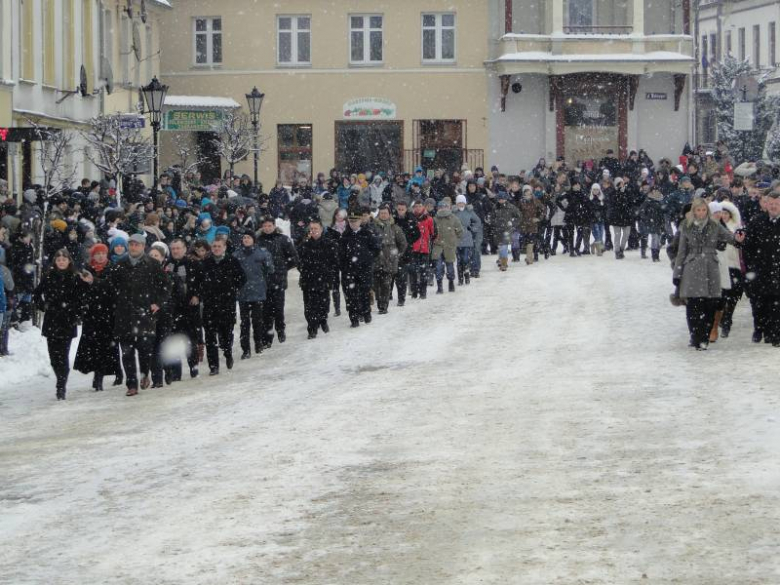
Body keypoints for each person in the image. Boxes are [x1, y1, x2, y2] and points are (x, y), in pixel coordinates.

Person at [673, 198, 744, 350]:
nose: (701, 213)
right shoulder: (686, 226)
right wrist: (677, 274)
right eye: (698, 210)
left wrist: (738, 239)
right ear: (694, 211)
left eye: (703, 210)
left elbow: (729, 237)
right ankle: (695, 335)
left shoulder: (714, 225)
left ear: (707, 211)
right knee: (693, 304)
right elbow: (681, 251)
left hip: (711, 266)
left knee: (711, 304)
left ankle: (705, 335)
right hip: (692, 267)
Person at [107, 233, 171, 396]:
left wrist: (157, 302)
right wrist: (117, 300)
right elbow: (111, 286)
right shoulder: (120, 264)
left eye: (137, 244)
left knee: (145, 351)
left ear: (143, 247)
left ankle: (144, 375)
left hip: (145, 315)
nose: (133, 247)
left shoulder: (152, 264)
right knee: (127, 353)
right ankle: (131, 385)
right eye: (132, 244)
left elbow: (165, 286)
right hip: (124, 315)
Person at [34, 249, 94, 400]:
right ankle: (60, 377)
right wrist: (42, 306)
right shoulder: (48, 277)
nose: (61, 262)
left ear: (69, 261)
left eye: (64, 259)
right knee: (54, 357)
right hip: (52, 319)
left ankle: (61, 385)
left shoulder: (74, 277)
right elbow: (36, 293)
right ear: (55, 262)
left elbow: (86, 294)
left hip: (68, 320)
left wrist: (79, 311)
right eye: (59, 259)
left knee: (64, 355)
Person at [74, 243, 119, 392]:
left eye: (103, 253)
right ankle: (98, 375)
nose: (100, 256)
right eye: (97, 253)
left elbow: (112, 288)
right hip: (91, 314)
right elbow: (80, 291)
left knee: (108, 345)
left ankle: (107, 375)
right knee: (93, 346)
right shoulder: (87, 269)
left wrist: (95, 282)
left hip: (108, 313)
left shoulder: (112, 269)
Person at [200, 236, 247, 375]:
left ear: (224, 248)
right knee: (209, 336)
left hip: (227, 303)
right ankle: (213, 366)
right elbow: (199, 280)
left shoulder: (232, 261)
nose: (216, 249)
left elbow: (242, 278)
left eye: (219, 246)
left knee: (226, 334)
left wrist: (232, 288)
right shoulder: (206, 263)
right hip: (210, 304)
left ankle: (228, 353)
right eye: (214, 246)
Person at [740, 191, 780, 346]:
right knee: (759, 303)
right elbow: (747, 246)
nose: (773, 206)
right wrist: (752, 266)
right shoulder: (757, 221)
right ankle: (761, 329)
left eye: (777, 204)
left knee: (776, 304)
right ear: (766, 204)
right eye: (771, 203)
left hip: (777, 271)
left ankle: (775, 334)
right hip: (760, 271)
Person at [257, 216, 298, 348]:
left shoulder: (283, 239)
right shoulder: (258, 241)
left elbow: (293, 257)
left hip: (278, 280)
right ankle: (267, 337)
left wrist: (282, 267)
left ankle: (280, 330)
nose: (267, 228)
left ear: (274, 226)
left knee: (278, 308)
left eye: (270, 226)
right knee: (265, 311)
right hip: (263, 282)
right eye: (265, 226)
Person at [165, 238, 202, 379]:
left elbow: (201, 282)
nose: (175, 251)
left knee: (190, 340)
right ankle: (176, 372)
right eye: (173, 248)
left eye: (178, 248)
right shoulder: (167, 265)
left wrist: (197, 295)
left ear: (184, 249)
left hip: (189, 308)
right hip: (172, 309)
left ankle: (194, 367)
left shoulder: (193, 264)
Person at [235, 229, 274, 359]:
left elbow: (270, 269)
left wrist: (263, 281)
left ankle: (258, 343)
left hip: (258, 291)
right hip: (243, 293)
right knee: (244, 322)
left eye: (248, 237)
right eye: (244, 237)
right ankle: (246, 349)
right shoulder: (237, 255)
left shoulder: (261, 253)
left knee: (258, 320)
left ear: (253, 239)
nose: (246, 239)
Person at [339, 210, 380, 327]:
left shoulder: (367, 234)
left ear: (360, 221)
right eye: (351, 221)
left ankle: (366, 313)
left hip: (364, 269)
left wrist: (368, 259)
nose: (353, 224)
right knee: (351, 295)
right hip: (349, 271)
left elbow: (376, 248)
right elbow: (340, 254)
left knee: (364, 292)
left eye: (355, 221)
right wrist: (344, 267)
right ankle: (354, 318)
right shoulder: (345, 236)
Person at [298, 219, 336, 338]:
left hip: (323, 279)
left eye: (316, 228)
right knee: (309, 306)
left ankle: (323, 320)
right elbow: (298, 261)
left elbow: (334, 261)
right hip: (308, 280)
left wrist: (328, 272)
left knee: (323, 303)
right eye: (312, 229)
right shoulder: (304, 245)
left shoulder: (328, 244)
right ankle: (312, 328)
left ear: (321, 230)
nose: (313, 231)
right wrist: (304, 270)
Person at [372, 204, 408, 313]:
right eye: (381, 213)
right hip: (376, 261)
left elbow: (403, 243)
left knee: (386, 285)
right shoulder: (373, 227)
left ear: (389, 214)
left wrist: (397, 255)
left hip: (389, 261)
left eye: (385, 213)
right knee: (377, 285)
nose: (383, 215)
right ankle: (379, 302)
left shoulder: (394, 228)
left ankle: (384, 306)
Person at [432, 198, 464, 293]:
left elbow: (460, 232)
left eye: (445, 207)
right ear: (438, 208)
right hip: (437, 247)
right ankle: (439, 286)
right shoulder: (434, 219)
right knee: (438, 267)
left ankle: (451, 282)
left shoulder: (453, 218)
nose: (443, 209)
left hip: (450, 247)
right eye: (441, 207)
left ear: (449, 208)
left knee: (450, 266)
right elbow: (430, 233)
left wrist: (455, 242)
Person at [392, 199, 420, 305]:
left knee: (412, 271)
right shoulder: (393, 219)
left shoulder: (411, 219)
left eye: (402, 209)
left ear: (406, 209)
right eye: (399, 209)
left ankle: (414, 289)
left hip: (408, 250)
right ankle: (401, 298)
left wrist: (409, 242)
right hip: (397, 251)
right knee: (400, 275)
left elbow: (417, 234)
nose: (400, 211)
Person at [453, 194, 481, 283]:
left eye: (462, 202)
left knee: (465, 258)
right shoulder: (453, 212)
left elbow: (477, 221)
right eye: (459, 203)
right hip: (456, 238)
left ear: (465, 203)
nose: (461, 204)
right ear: (456, 203)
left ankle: (467, 275)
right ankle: (460, 278)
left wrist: (473, 228)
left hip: (467, 237)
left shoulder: (469, 211)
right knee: (459, 260)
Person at [410, 199, 435, 298]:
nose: (418, 208)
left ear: (423, 207)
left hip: (424, 249)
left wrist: (428, 241)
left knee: (424, 271)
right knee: (413, 271)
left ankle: (423, 292)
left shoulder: (429, 219)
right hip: (413, 248)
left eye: (419, 206)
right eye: (416, 206)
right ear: (413, 208)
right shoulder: (411, 218)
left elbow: (433, 232)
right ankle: (414, 291)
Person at [492, 191, 521, 271]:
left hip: (507, 230)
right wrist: (493, 222)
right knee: (500, 247)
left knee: (504, 246)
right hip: (497, 230)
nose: (501, 200)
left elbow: (519, 216)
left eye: (503, 199)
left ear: (506, 199)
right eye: (500, 199)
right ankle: (501, 259)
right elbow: (492, 217)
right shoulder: (495, 207)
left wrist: (512, 222)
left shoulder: (511, 207)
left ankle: (504, 264)